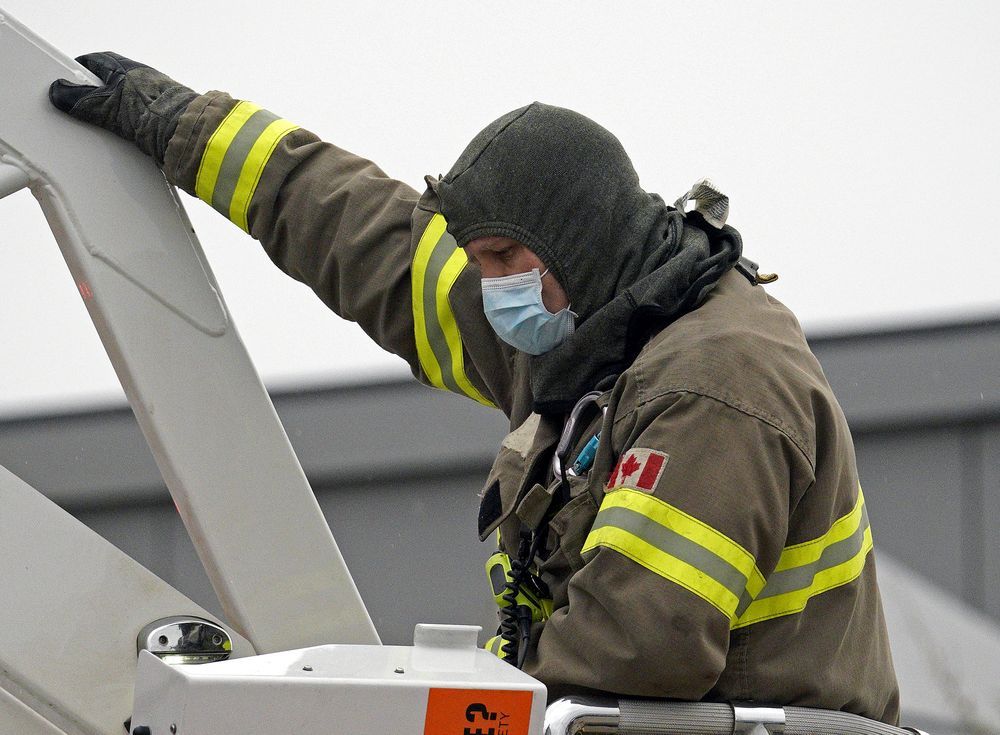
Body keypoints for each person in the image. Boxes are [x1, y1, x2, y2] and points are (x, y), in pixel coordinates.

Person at [50, 53, 900, 723]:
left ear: (576, 246)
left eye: (501, 261)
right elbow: (367, 236)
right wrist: (189, 131)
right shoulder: (588, 329)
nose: (491, 288)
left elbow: (638, 650)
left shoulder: (715, 386)